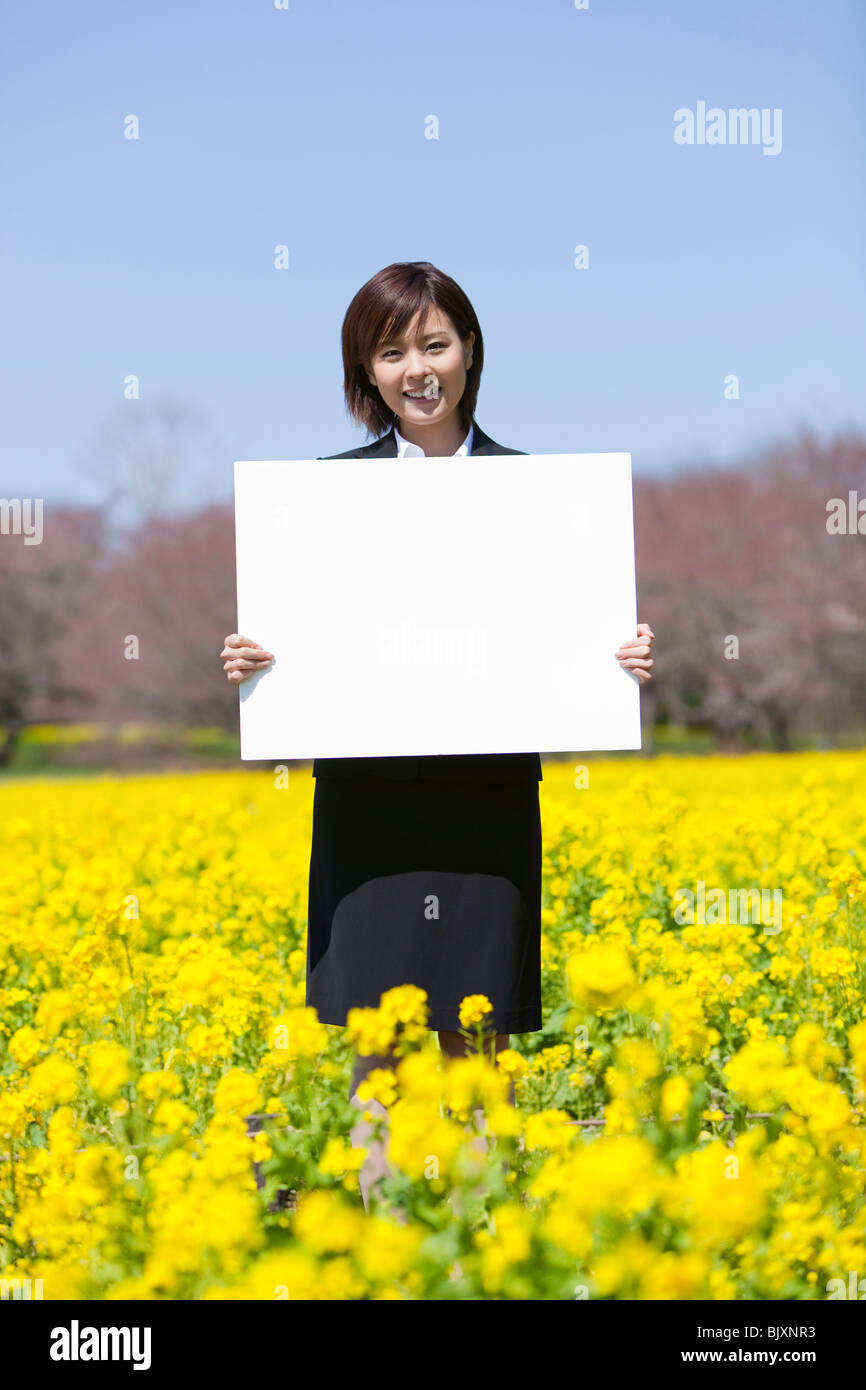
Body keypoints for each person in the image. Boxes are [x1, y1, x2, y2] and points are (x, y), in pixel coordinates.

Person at [221, 261, 655, 1206]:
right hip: (368, 807)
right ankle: (378, 1226)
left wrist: (614, 659)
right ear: (365, 374)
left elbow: (568, 641)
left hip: (484, 802)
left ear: (470, 354)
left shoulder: (539, 496)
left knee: (478, 1020)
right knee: (377, 1027)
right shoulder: (321, 501)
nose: (417, 368)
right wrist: (259, 666)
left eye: (435, 344)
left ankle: (477, 1222)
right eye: (392, 351)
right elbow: (304, 648)